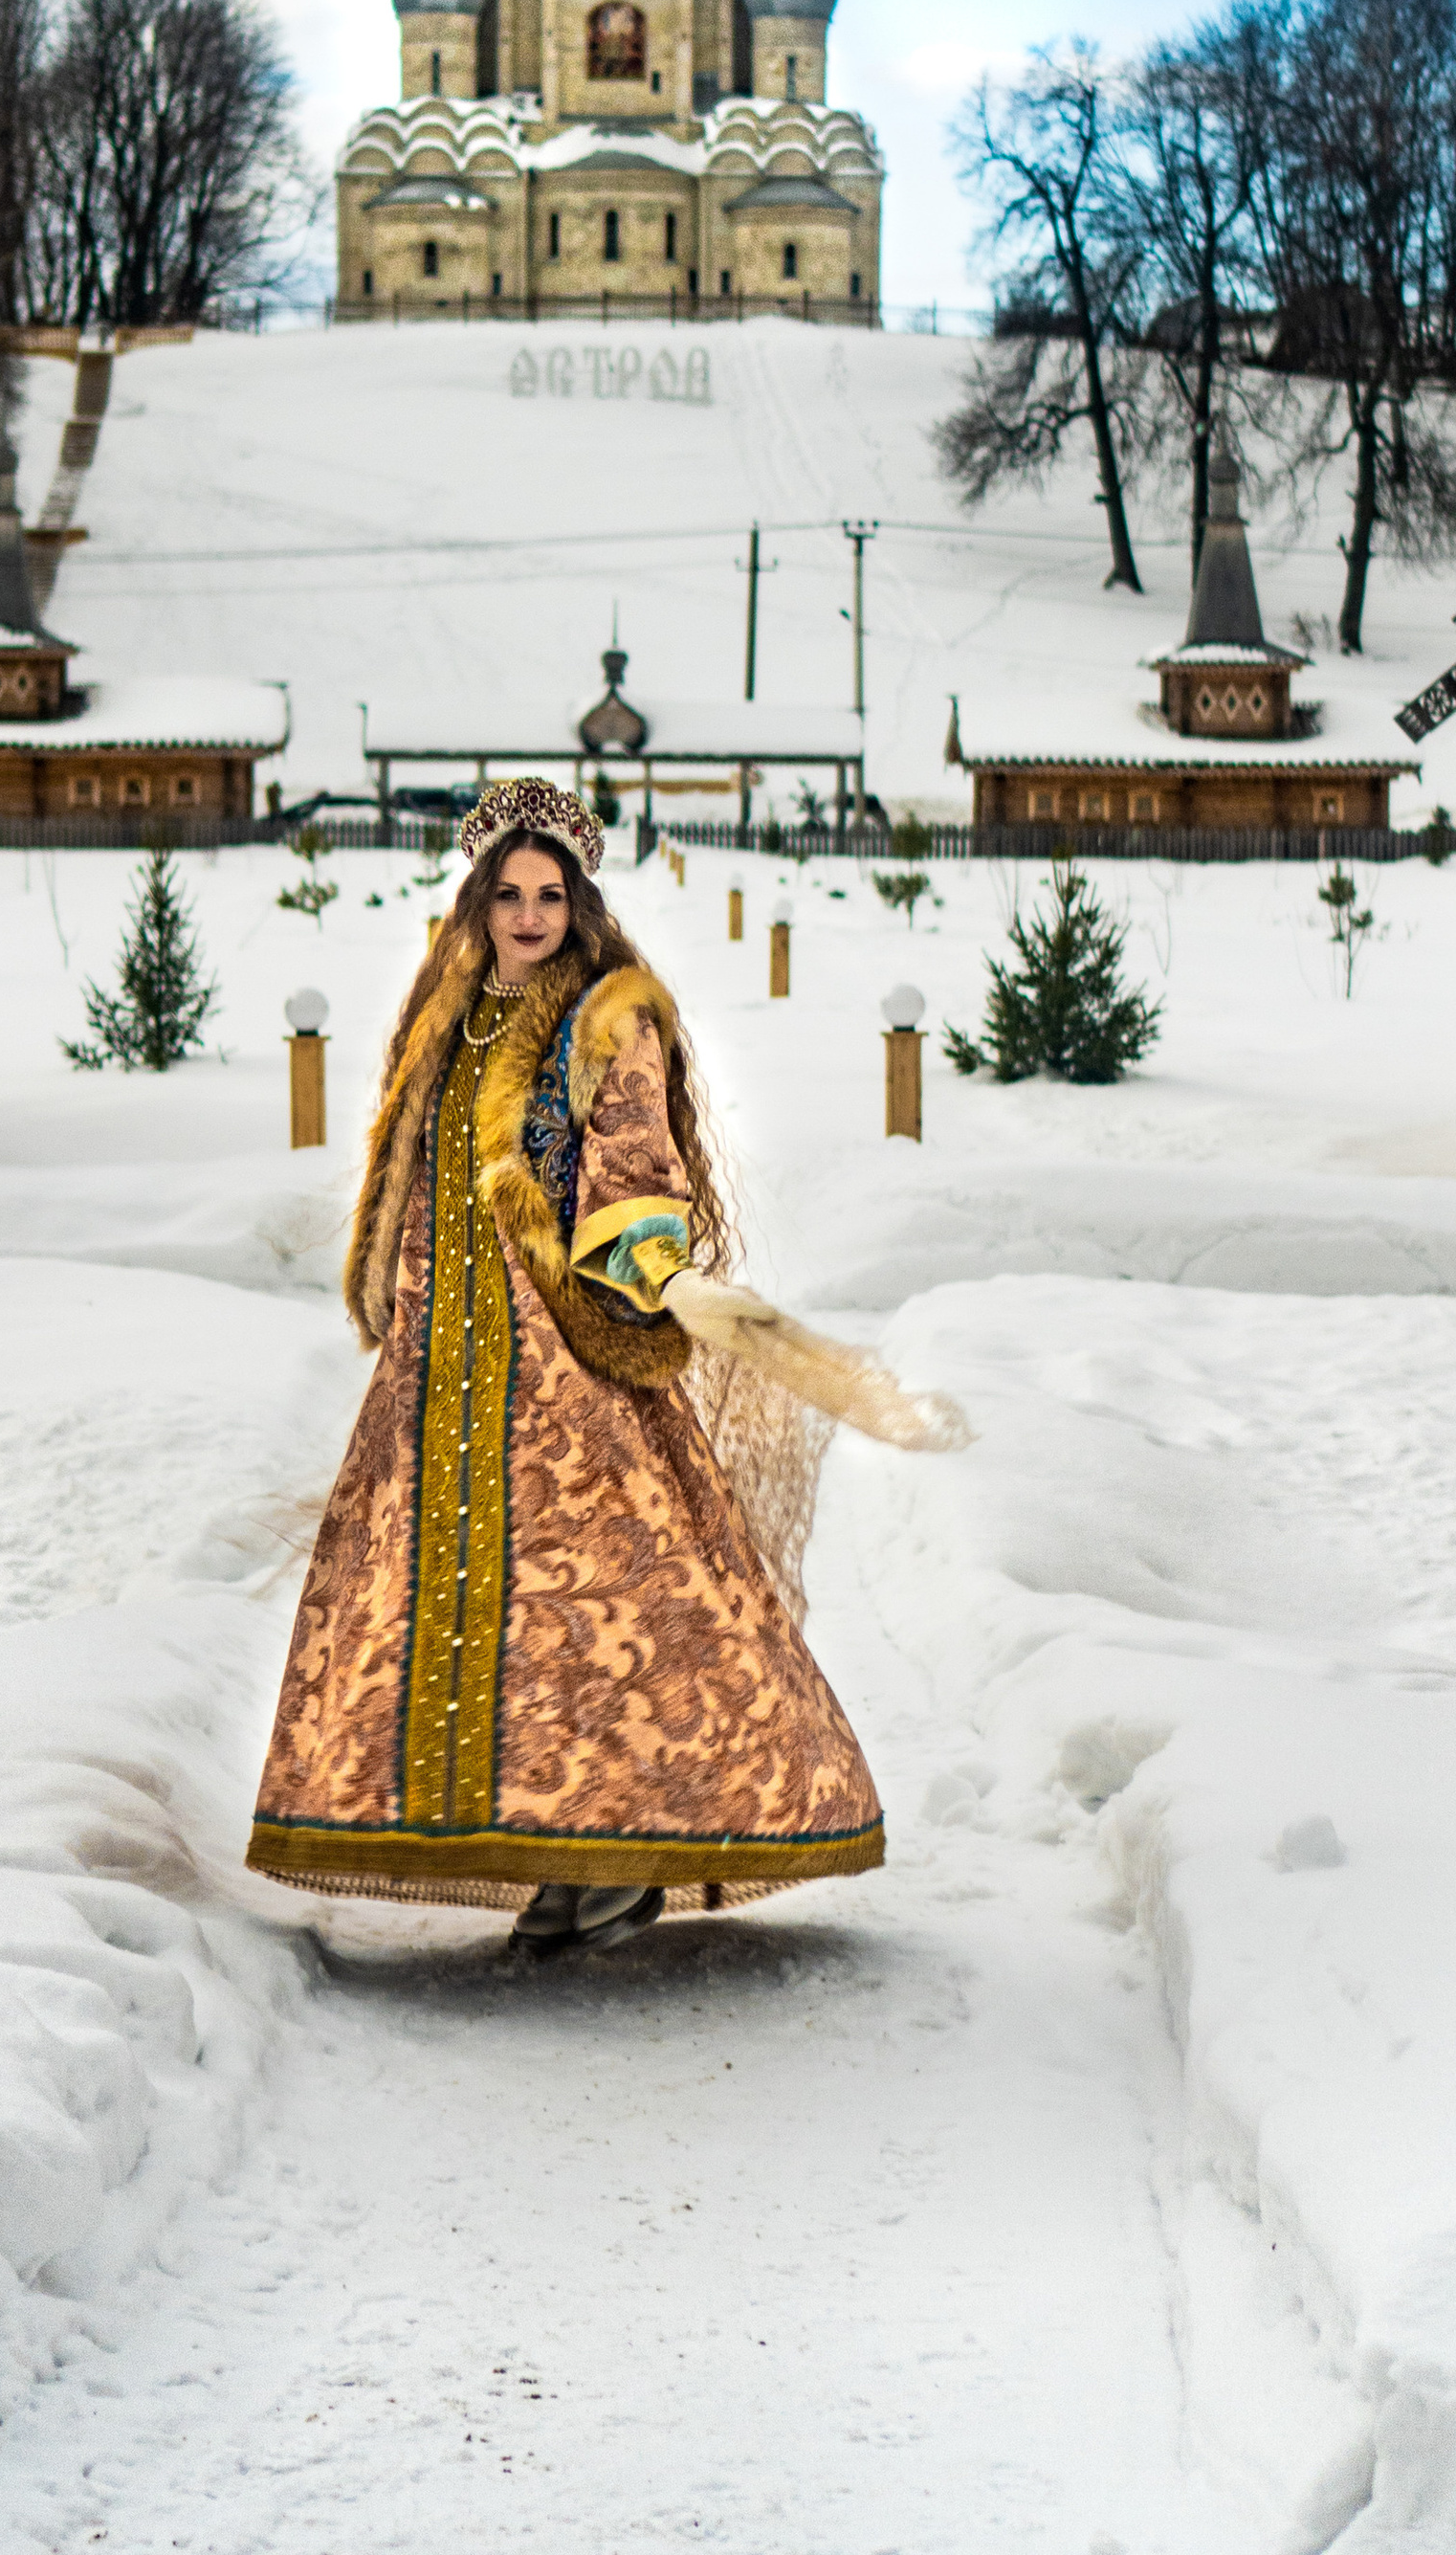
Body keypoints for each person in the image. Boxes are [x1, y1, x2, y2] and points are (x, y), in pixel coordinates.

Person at [247, 776, 943, 1954]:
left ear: (580, 904)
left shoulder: (606, 1019)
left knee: (604, 1605)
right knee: (460, 1615)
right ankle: (546, 1858)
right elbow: (408, 1171)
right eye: (509, 895)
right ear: (478, 901)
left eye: (549, 896)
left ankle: (617, 1861)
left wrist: (660, 1268)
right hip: (440, 1360)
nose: (528, 916)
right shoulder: (444, 1017)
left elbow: (633, 1158)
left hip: (558, 1356)